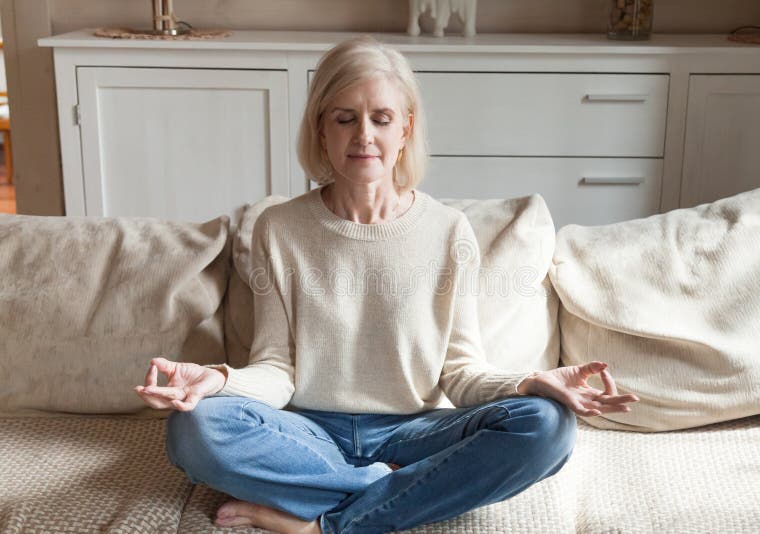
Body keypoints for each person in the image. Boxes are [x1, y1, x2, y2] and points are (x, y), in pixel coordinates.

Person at [134, 35, 639, 534]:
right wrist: (219, 380)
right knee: (194, 428)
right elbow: (276, 368)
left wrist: (531, 382)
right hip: (309, 429)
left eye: (381, 118)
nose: (363, 136)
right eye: (344, 118)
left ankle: (324, 524)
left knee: (546, 426)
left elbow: (461, 373)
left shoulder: (448, 232)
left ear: (405, 131)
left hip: (414, 429)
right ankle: (385, 489)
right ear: (321, 128)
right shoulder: (280, 228)